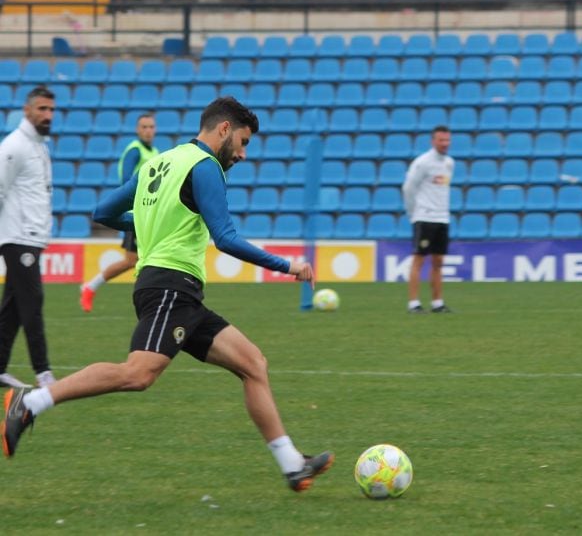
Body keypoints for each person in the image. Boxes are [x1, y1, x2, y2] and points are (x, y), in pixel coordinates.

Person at [1, 96, 334, 492]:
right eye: (243, 142)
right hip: (169, 288)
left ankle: (292, 464)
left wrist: (147, 219)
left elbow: (103, 212)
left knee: (253, 364)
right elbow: (225, 238)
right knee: (137, 374)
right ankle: (30, 403)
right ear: (223, 129)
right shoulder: (205, 166)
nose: (243, 154)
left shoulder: (158, 163)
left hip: (179, 293)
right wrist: (288, 265)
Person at [0, 86, 57, 389]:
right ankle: (44, 372)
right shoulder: (14, 146)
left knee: (12, 305)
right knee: (31, 301)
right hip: (18, 237)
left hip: (31, 236)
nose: (47, 115)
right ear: (27, 110)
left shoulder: (39, 145)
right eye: (42, 109)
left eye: (51, 110)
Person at [80, 113, 158, 313]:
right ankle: (91, 286)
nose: (148, 130)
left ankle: (91, 286)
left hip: (150, 214)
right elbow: (126, 182)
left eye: (151, 127)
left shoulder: (155, 152)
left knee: (137, 260)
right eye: (144, 127)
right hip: (136, 215)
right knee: (137, 260)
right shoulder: (135, 151)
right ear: (137, 130)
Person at [402, 125, 455, 314]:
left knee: (438, 261)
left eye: (447, 140)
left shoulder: (449, 163)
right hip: (424, 217)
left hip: (442, 218)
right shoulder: (423, 162)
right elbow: (408, 188)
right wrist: (412, 212)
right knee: (419, 260)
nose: (445, 144)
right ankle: (413, 303)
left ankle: (437, 303)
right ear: (433, 141)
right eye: (441, 140)